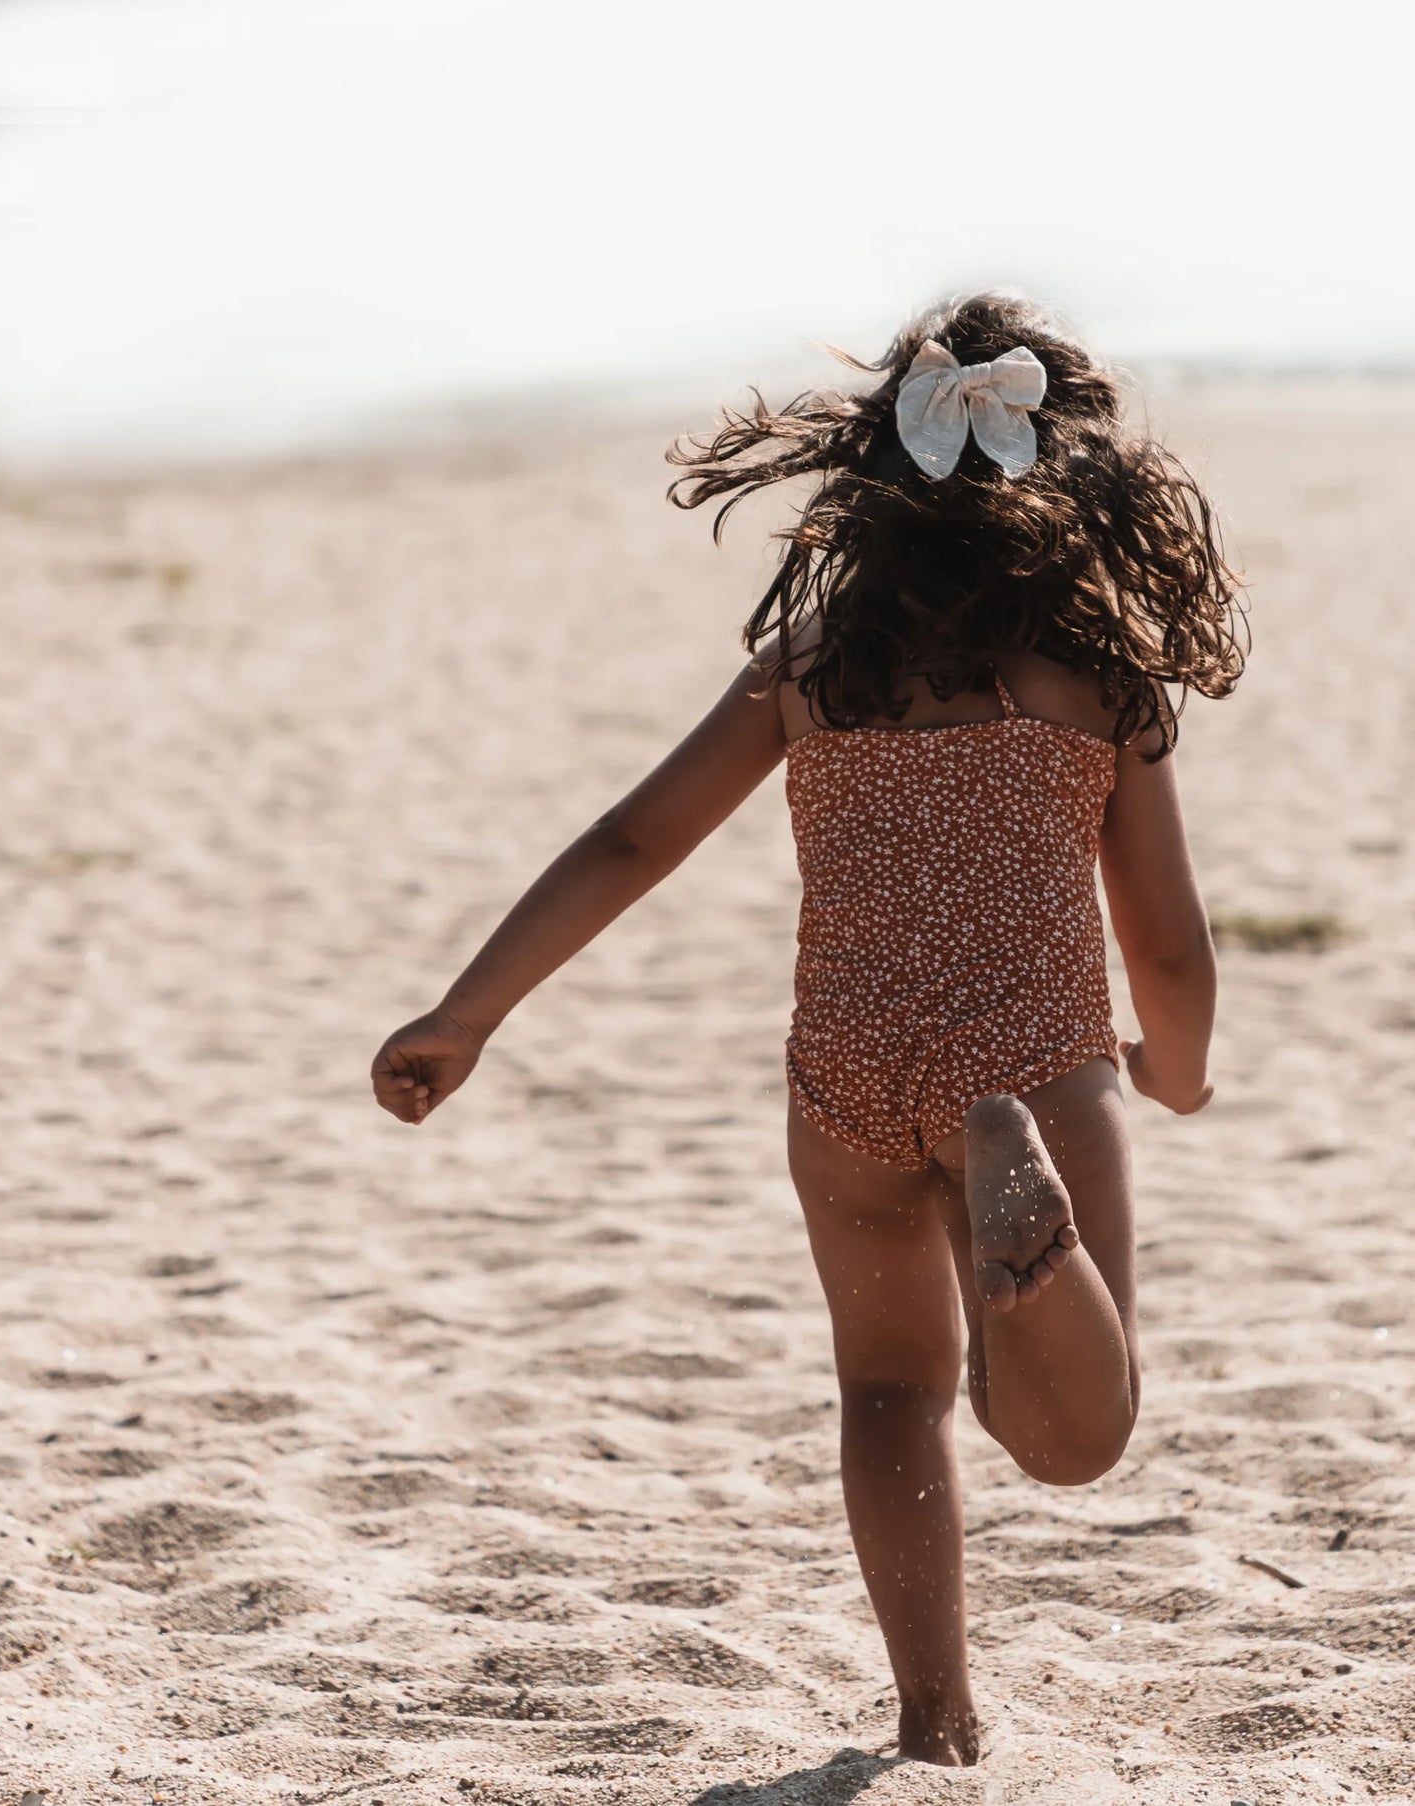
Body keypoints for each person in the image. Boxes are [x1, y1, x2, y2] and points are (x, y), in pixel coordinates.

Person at [369, 293, 1247, 1766]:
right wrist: (1175, 1070)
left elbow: (630, 840)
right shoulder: (1096, 682)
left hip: (840, 1073)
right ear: (1072, 484)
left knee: (888, 1389)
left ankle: (933, 1709)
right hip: (1031, 1065)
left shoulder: (812, 669)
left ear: (878, 485)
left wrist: (469, 1013)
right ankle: (1028, 1255)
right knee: (1071, 1439)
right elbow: (1165, 938)